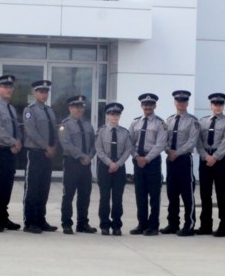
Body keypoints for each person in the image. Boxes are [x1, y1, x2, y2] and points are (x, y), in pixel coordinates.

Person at [0, 74, 23, 232]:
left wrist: (18, 142)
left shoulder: (11, 108)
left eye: (10, 87)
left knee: (7, 185)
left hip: (10, 151)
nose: (8, 89)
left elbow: (17, 128)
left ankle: (2, 216)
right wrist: (12, 142)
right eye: (5, 87)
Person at [22, 80, 58, 233]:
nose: (44, 94)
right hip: (36, 153)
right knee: (32, 188)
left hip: (48, 155)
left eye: (46, 91)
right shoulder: (30, 110)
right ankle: (30, 222)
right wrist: (46, 147)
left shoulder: (49, 111)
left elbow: (54, 131)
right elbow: (31, 131)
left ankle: (41, 220)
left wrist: (54, 147)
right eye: (41, 91)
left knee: (44, 188)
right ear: (35, 93)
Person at [128, 93, 167, 236]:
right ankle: (141, 224)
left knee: (154, 195)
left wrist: (147, 159)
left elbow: (160, 144)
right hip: (138, 162)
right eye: (145, 104)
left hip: (152, 162)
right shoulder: (135, 122)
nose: (147, 107)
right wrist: (137, 157)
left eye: (150, 104)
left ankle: (153, 226)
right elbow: (129, 143)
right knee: (140, 194)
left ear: (154, 106)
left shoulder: (160, 123)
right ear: (141, 106)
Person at [196, 93, 225, 237]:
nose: (218, 107)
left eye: (220, 104)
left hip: (219, 160)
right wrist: (205, 156)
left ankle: (224, 225)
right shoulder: (202, 122)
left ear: (223, 106)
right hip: (205, 158)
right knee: (205, 193)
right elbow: (198, 141)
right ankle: (205, 225)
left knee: (220, 193)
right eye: (215, 104)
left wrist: (215, 157)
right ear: (210, 105)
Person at [162, 90, 199, 237]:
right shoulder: (169, 120)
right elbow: (163, 139)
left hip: (183, 159)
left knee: (187, 194)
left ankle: (189, 224)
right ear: (174, 102)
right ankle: (173, 223)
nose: (181, 103)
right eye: (178, 100)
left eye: (184, 101)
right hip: (171, 160)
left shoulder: (193, 121)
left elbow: (192, 142)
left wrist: (176, 153)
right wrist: (167, 150)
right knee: (172, 193)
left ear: (187, 103)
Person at [59, 95, 97, 234]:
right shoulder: (65, 125)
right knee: (68, 194)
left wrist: (90, 156)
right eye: (76, 107)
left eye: (81, 107)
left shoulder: (88, 125)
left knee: (85, 195)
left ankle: (82, 223)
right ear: (70, 108)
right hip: (72, 163)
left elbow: (94, 144)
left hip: (86, 164)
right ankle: (66, 223)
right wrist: (81, 156)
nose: (79, 109)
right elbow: (66, 144)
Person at [94, 102, 132, 236]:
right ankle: (104, 225)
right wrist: (110, 163)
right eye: (111, 114)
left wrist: (118, 164)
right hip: (105, 167)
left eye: (117, 114)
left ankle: (117, 225)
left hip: (119, 168)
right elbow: (99, 149)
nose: (114, 117)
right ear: (107, 115)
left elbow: (128, 150)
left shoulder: (124, 132)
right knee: (104, 198)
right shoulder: (101, 131)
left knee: (117, 199)